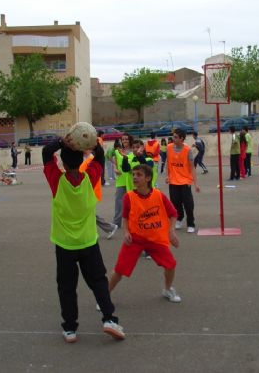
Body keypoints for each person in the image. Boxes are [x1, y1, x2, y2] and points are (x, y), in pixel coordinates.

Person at [42, 137, 125, 343]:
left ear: (63, 162)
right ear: (81, 161)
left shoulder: (57, 180)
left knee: (67, 287)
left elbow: (46, 153)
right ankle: (109, 319)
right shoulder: (90, 177)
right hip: (88, 242)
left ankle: (70, 329)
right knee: (98, 282)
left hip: (65, 244)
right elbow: (99, 155)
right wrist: (87, 142)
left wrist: (62, 141)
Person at [109, 164, 181, 303]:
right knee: (119, 270)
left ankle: (167, 289)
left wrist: (171, 231)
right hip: (135, 239)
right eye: (133, 174)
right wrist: (126, 232)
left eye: (139, 175)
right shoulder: (128, 197)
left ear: (148, 178)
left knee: (170, 265)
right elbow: (125, 217)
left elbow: (173, 214)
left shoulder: (159, 195)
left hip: (155, 238)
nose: (135, 177)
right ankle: (105, 296)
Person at [166, 128, 200, 233]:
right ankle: (179, 219)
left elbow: (192, 167)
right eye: (173, 136)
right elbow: (168, 163)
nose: (173, 138)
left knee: (188, 204)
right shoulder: (169, 147)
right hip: (173, 181)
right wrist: (168, 176)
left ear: (182, 139)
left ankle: (191, 223)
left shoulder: (187, 150)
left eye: (176, 137)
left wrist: (196, 183)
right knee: (175, 203)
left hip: (185, 181)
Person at [80, 152, 118, 240]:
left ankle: (109, 228)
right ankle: (108, 228)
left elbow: (83, 174)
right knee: (87, 213)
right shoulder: (87, 158)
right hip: (87, 190)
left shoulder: (91, 159)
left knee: (87, 213)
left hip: (89, 191)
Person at [113, 134, 133, 228]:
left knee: (132, 201)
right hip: (121, 180)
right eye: (123, 139)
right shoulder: (117, 152)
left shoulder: (134, 151)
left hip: (131, 180)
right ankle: (116, 223)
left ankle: (133, 221)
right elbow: (115, 164)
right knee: (118, 202)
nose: (125, 141)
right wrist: (115, 169)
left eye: (127, 139)